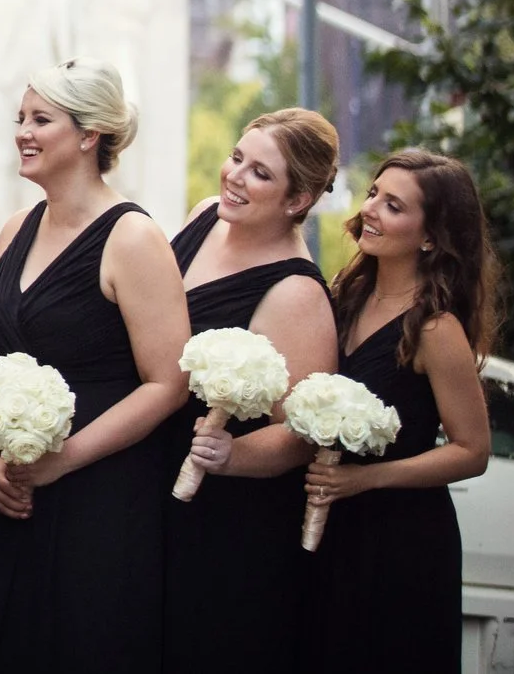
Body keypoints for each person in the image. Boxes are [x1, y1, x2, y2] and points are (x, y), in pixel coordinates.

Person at [0, 59, 190, 674]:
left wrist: (63, 461)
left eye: (41, 119)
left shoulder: (134, 238)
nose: (22, 133)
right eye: (21, 119)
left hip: (100, 500)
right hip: (10, 492)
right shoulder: (15, 229)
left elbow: (169, 383)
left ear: (90, 136)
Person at [160, 109, 338, 674]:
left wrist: (231, 455)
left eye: (260, 172)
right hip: (149, 479)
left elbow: (301, 431)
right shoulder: (203, 218)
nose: (234, 176)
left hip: (224, 520)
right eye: (237, 157)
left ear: (297, 199)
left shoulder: (296, 293)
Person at [311, 149, 498, 671]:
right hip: (333, 528)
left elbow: (472, 451)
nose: (370, 209)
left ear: (430, 236)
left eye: (393, 206)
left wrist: (366, 480)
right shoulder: (343, 299)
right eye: (374, 194)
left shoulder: (436, 329)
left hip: (401, 542)